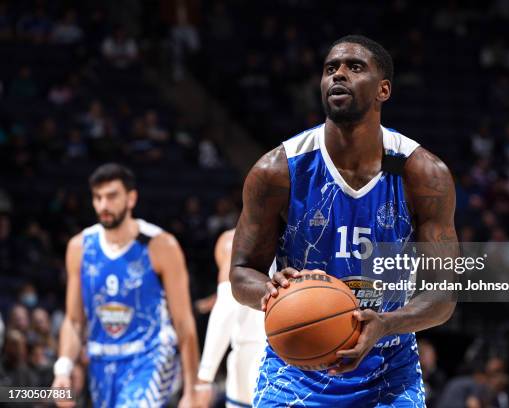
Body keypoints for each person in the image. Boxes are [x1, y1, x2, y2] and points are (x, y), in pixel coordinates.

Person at [230, 35, 458, 407]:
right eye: (330, 68)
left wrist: (385, 324)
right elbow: (241, 273)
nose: (338, 75)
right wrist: (271, 292)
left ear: (383, 89)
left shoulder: (423, 174)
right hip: (295, 370)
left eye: (354, 67)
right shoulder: (277, 171)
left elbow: (443, 296)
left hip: (388, 371)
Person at [51, 163, 206, 407]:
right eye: (98, 197)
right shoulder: (79, 248)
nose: (103, 205)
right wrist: (63, 368)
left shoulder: (161, 245)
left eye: (111, 196)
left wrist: (193, 388)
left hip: (150, 357)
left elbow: (183, 321)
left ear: (131, 198)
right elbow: (73, 320)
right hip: (102, 361)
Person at [197, 228, 266, 407]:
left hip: (251, 360)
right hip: (295, 360)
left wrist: (204, 377)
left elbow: (225, 312)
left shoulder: (234, 241)